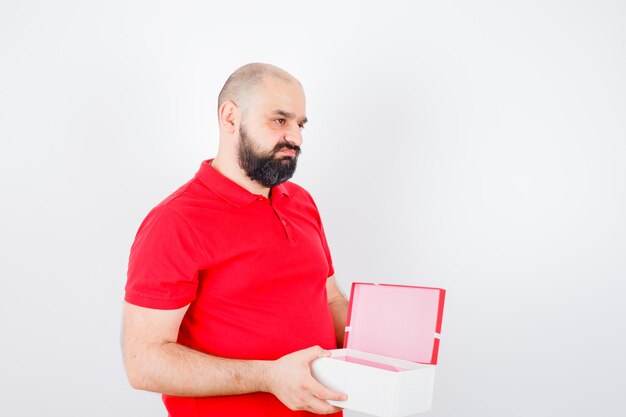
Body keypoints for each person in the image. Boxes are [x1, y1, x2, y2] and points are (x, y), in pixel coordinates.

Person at [122, 63, 350, 417]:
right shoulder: (175, 221)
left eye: (300, 124)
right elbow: (144, 361)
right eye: (279, 120)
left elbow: (330, 297)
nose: (296, 138)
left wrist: (382, 344)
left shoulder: (302, 201)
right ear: (230, 118)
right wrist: (268, 376)